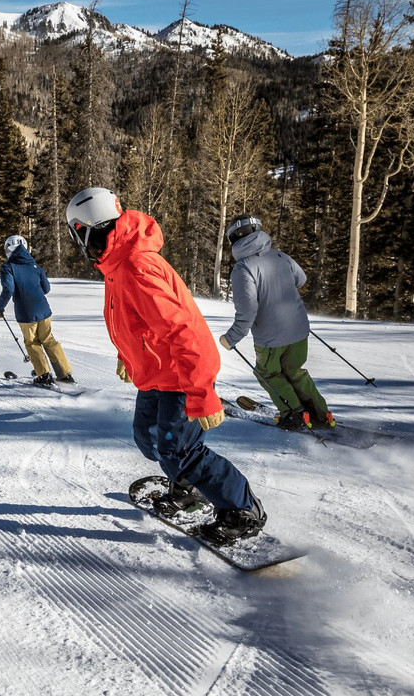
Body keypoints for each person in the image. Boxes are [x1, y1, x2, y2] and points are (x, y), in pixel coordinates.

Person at [65, 187, 266, 545]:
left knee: (179, 449)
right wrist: (129, 356)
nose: (78, 242)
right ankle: (187, 488)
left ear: (87, 229)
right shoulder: (117, 263)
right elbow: (135, 322)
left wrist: (201, 392)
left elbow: (187, 331)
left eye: (77, 233)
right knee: (149, 439)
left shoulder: (136, 266)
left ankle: (242, 509)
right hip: (155, 373)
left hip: (180, 375)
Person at [219, 214, 334, 430]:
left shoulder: (243, 268)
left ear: (234, 239)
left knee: (268, 373)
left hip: (271, 338)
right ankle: (320, 413)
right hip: (299, 329)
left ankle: (294, 414)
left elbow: (248, 311)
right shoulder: (280, 257)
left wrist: (231, 338)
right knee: (295, 371)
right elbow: (301, 279)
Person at [0, 235, 74, 386]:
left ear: (8, 249)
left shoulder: (8, 267)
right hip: (43, 310)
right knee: (49, 340)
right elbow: (47, 288)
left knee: (32, 342)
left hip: (26, 313)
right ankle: (65, 375)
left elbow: (8, 289)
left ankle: (44, 375)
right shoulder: (34, 265)